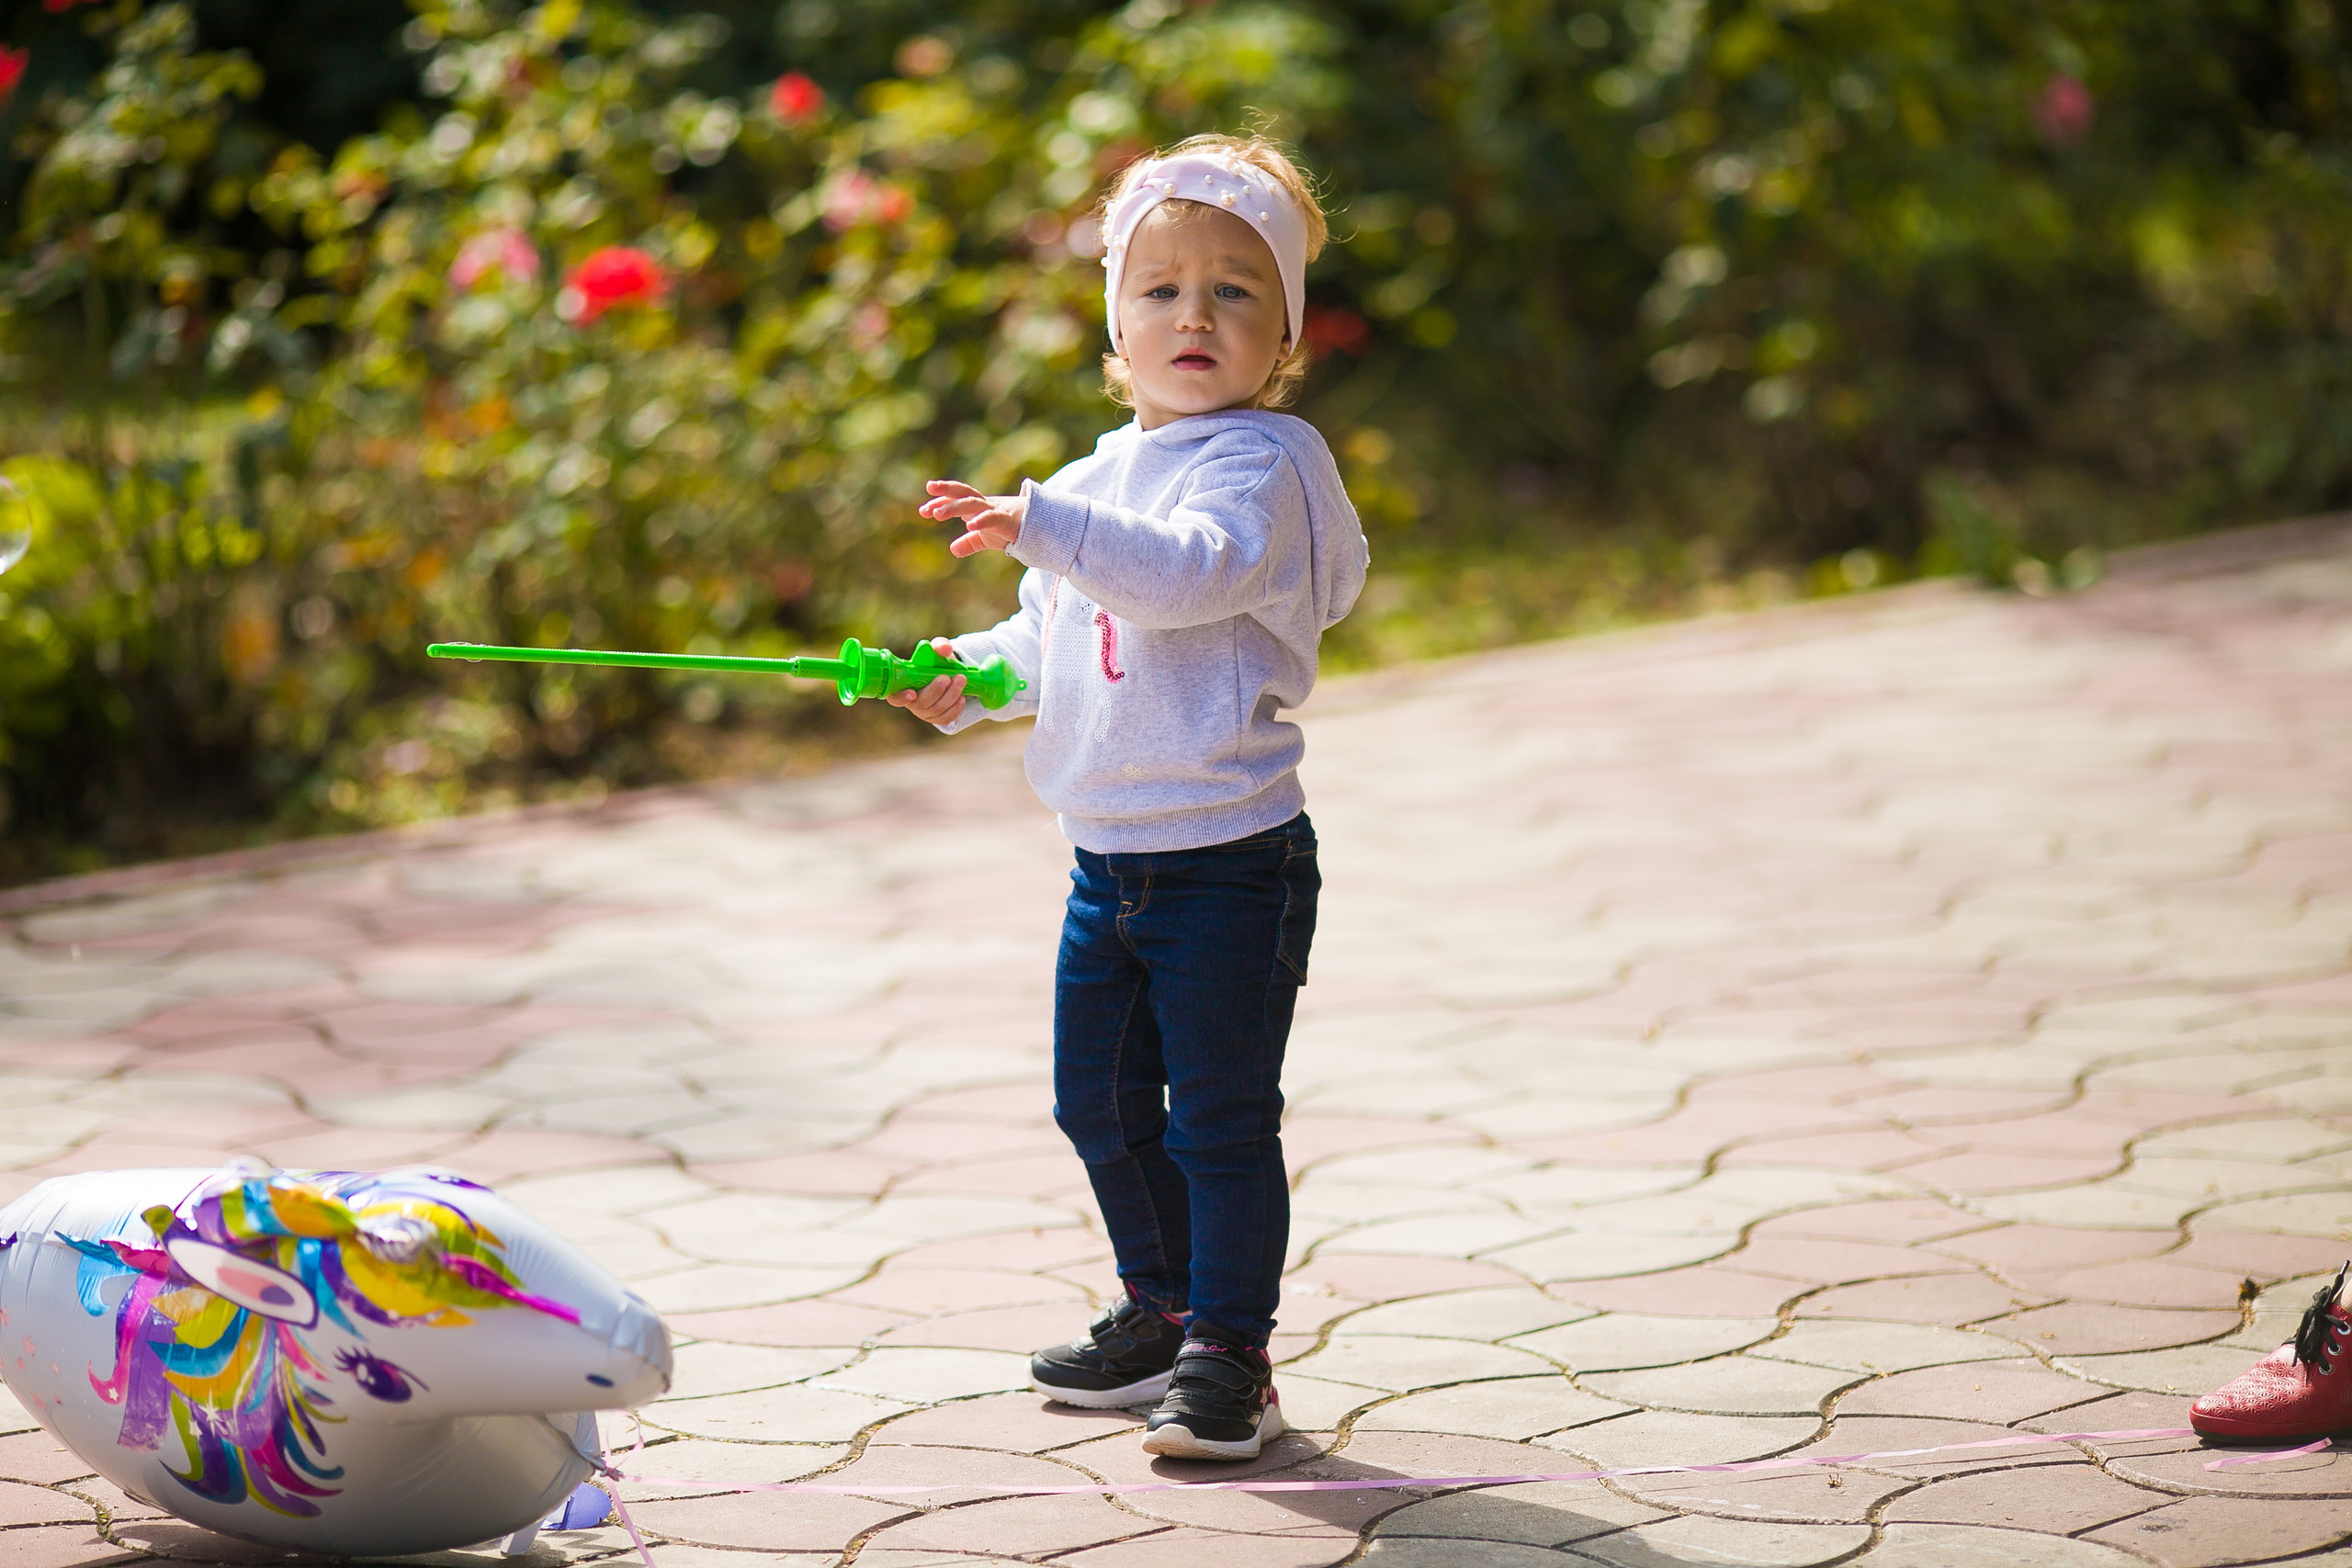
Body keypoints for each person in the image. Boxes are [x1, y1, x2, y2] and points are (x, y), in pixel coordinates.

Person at [884, 132, 1365, 1461]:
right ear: (1116, 320)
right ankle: (1158, 1309)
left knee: (1218, 1115)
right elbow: (1051, 643)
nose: (1193, 315)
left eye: (1234, 290)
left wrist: (1046, 524)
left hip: (1231, 861)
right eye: (1160, 289)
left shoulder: (1261, 467)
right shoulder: (1095, 484)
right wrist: (959, 677)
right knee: (1097, 1103)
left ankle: (1232, 1349)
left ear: (1283, 332)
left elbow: (1186, 577)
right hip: (1109, 862)